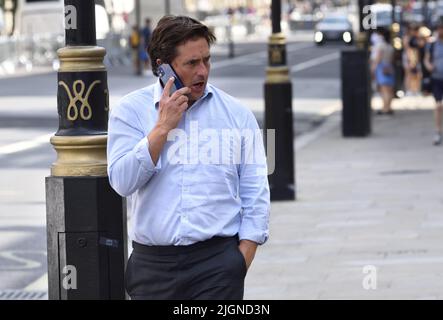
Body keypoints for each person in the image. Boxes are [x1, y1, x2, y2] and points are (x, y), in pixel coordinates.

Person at [107, 15, 270, 300]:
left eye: (206, 60)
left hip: (217, 266)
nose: (203, 72)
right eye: (192, 63)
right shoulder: (130, 111)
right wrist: (162, 128)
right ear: (163, 68)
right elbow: (122, 182)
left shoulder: (237, 114)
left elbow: (255, 191)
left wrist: (240, 260)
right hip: (152, 268)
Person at [424, 20, 443, 145]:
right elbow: (426, 59)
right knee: (438, 105)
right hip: (437, 78)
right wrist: (429, 66)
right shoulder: (432, 44)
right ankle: (438, 130)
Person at [371, 27, 395, 115]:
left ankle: (385, 108)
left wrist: (373, 68)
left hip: (382, 68)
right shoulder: (389, 45)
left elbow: (378, 58)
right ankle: (388, 107)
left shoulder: (381, 45)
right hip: (389, 67)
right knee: (389, 90)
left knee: (384, 89)